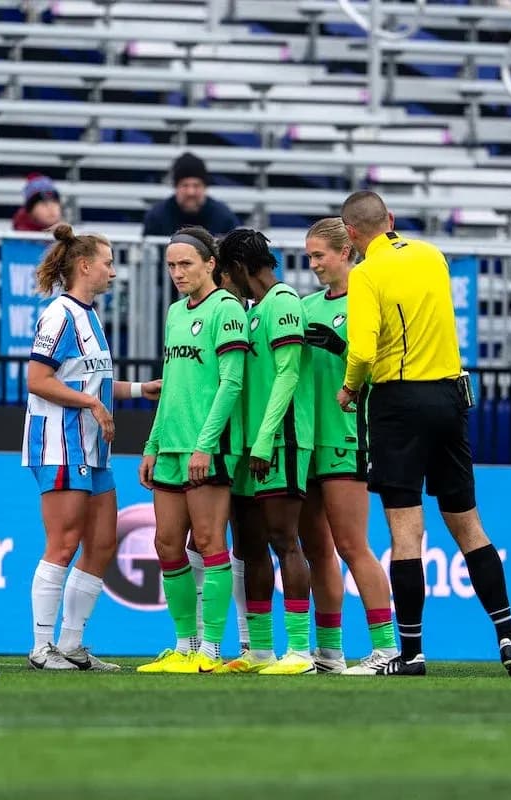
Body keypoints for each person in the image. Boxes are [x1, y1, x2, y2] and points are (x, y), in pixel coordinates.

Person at [337, 190, 511, 677]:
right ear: (392, 220)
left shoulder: (365, 273)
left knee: (407, 534)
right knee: (469, 527)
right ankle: (509, 638)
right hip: (449, 398)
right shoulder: (431, 255)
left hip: (398, 403)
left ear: (353, 236)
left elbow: (362, 351)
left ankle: (412, 653)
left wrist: (348, 390)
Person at [22, 223, 161, 671]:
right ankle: (41, 648)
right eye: (108, 263)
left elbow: (90, 381)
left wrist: (140, 389)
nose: (113, 273)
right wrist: (92, 405)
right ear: (85, 266)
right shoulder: (58, 315)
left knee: (101, 545)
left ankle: (71, 644)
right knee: (62, 544)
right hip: (61, 445)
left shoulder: (89, 314)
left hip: (91, 448)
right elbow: (37, 381)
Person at [135, 226, 247, 674]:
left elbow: (232, 382)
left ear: (209, 264)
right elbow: (172, 385)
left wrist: (205, 445)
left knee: (208, 541)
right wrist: (152, 443)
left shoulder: (227, 310)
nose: (178, 273)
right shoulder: (176, 312)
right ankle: (185, 645)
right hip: (170, 446)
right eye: (171, 266)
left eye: (186, 264)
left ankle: (212, 651)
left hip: (209, 447)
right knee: (166, 544)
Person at [299, 218, 400, 675]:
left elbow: (383, 371)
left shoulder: (368, 299)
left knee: (352, 545)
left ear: (346, 252)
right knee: (317, 549)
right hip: (306, 442)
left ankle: (386, 648)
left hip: (346, 437)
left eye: (320, 254)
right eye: (310, 256)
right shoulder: (304, 307)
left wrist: (341, 347)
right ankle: (330, 652)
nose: (314, 263)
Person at [214, 228, 315, 676]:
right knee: (250, 547)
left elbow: (288, 376)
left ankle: (300, 651)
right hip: (249, 449)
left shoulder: (285, 302)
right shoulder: (251, 313)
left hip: (282, 441)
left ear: (237, 267)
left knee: (283, 541)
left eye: (224, 269)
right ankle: (259, 650)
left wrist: (265, 438)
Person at [141, 152, 240, 238]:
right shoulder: (157, 217)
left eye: (196, 185)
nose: (190, 192)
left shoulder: (224, 217)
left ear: (205, 187)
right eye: (185, 185)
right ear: (176, 187)